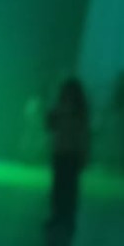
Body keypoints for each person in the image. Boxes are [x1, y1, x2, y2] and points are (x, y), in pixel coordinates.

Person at [44, 79, 91, 229]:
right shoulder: (61, 109)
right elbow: (50, 125)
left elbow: (83, 136)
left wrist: (84, 155)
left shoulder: (79, 113)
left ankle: (66, 218)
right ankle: (58, 216)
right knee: (59, 188)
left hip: (71, 155)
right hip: (60, 153)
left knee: (69, 189)